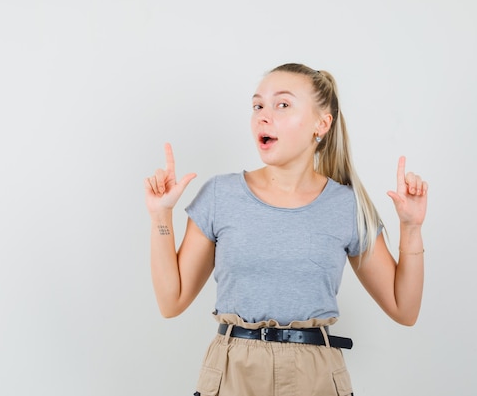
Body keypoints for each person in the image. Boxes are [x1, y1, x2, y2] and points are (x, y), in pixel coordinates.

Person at [144, 63, 428, 396]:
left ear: (321, 124)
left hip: (316, 376)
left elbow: (404, 309)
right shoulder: (221, 195)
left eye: (282, 104)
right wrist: (161, 217)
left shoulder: (345, 205)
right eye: (257, 106)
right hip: (232, 372)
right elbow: (171, 302)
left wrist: (411, 227)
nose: (263, 116)